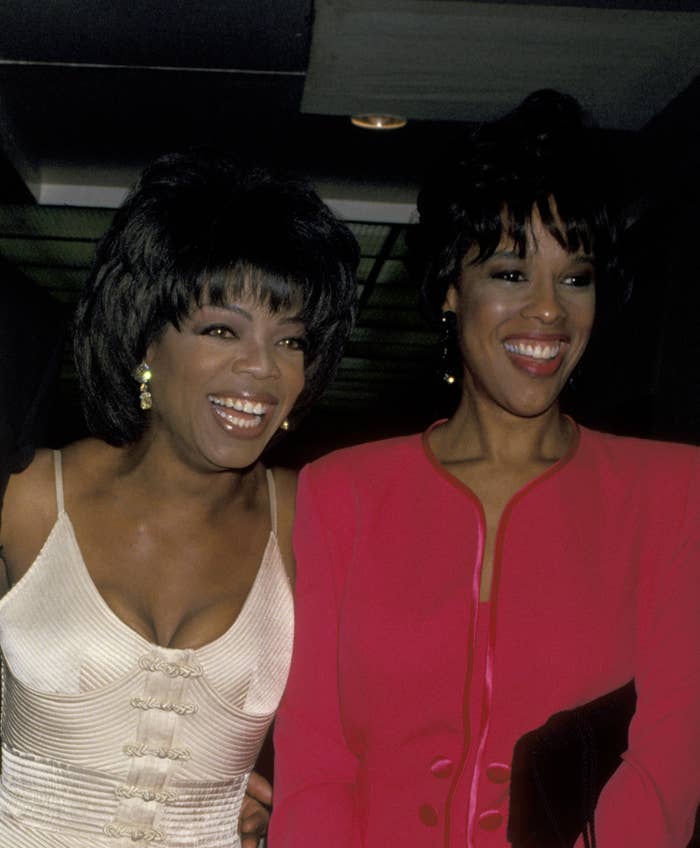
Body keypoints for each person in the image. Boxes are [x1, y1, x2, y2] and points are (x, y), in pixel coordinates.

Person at [270, 91, 700, 847]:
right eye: (509, 273)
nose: (549, 311)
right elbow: (317, 761)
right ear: (449, 288)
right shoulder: (341, 492)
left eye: (576, 278)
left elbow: (670, 756)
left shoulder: (674, 493)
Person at [0, 151, 358, 847]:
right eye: (222, 329)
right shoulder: (29, 498)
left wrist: (297, 802)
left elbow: (384, 718)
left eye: (290, 340)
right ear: (144, 343)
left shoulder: (311, 517)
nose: (262, 367)